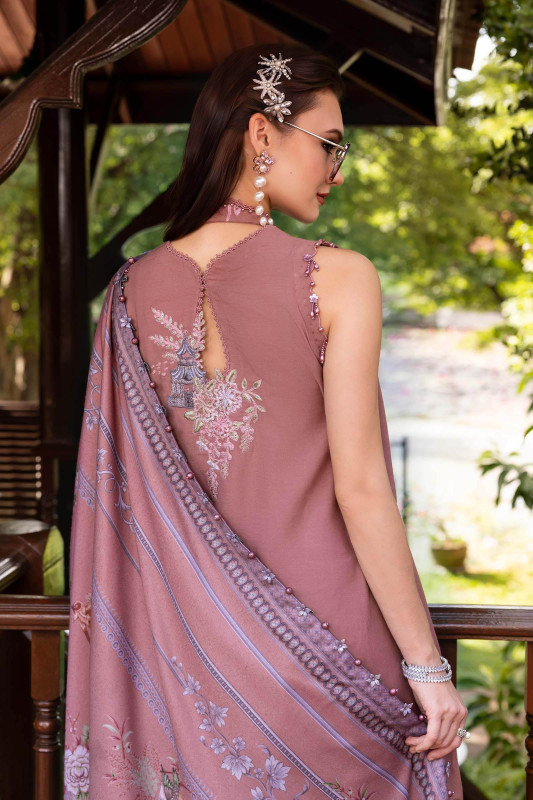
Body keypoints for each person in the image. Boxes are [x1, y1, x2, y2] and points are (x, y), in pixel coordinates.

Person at [64, 42, 469, 800]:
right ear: (261, 134)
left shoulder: (127, 295)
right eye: (329, 143)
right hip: (332, 660)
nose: (337, 170)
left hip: (187, 675)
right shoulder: (340, 279)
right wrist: (427, 668)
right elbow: (361, 490)